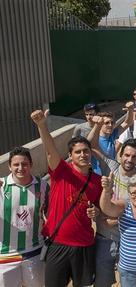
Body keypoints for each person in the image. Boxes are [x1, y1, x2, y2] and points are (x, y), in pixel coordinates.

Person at [31, 109, 102, 286]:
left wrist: (97, 212)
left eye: (86, 151)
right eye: (78, 152)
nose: (83, 155)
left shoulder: (98, 181)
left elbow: (101, 208)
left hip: (84, 243)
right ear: (70, 156)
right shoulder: (61, 171)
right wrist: (42, 126)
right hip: (58, 243)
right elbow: (50, 150)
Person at [90, 139, 136, 287]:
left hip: (129, 241)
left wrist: (115, 220)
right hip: (105, 239)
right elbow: (91, 145)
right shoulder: (110, 167)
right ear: (120, 155)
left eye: (134, 156)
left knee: (130, 283)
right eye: (126, 155)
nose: (129, 159)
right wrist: (97, 124)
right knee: (102, 283)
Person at [0, 147, 48, 287]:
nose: (20, 168)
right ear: (9, 166)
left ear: (31, 165)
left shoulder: (43, 186)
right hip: (5, 255)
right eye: (16, 164)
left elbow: (51, 213)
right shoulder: (1, 186)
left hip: (35, 252)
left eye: (24, 164)